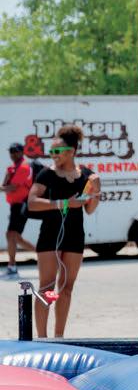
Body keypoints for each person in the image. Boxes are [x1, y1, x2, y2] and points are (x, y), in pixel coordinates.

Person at [26, 124, 101, 338]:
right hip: (50, 236)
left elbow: (89, 209)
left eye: (57, 151)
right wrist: (64, 203)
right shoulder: (46, 174)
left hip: (75, 236)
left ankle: (59, 337)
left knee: (66, 288)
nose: (53, 154)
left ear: (71, 151)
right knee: (47, 288)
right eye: (51, 151)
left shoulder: (85, 175)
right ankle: (42, 339)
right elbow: (32, 203)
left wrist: (96, 191)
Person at [4, 143, 35, 276]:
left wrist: (5, 186)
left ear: (22, 152)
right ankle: (12, 266)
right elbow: (5, 185)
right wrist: (7, 179)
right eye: (11, 151)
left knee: (13, 236)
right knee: (12, 236)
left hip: (21, 205)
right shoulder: (13, 168)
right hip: (15, 206)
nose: (12, 154)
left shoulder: (23, 167)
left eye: (15, 151)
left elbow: (12, 187)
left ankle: (43, 254)